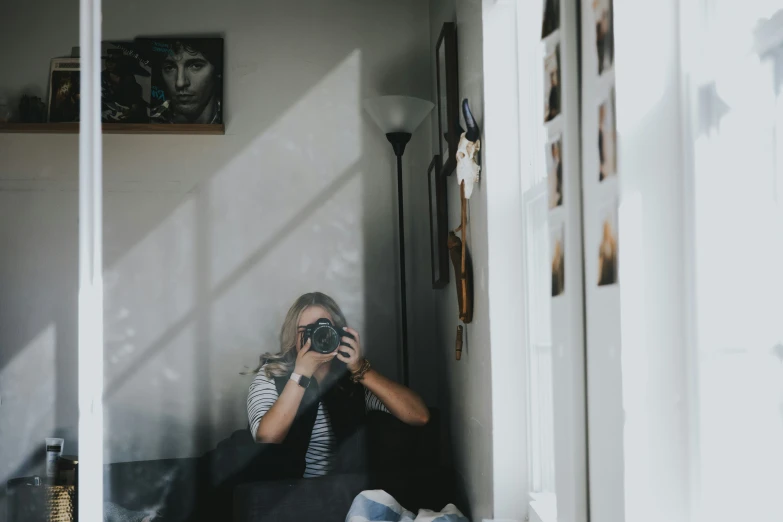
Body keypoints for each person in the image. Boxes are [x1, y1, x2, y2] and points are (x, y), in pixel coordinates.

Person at [247, 292, 430, 478]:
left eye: (324, 329)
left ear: (340, 333)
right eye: (307, 331)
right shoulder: (273, 374)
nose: (318, 338)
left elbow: (419, 416)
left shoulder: (351, 379)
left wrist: (360, 369)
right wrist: (301, 374)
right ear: (294, 337)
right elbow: (267, 438)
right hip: (282, 493)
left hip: (342, 494)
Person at [150, 39, 222, 124]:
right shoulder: (148, 120)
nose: (180, 83)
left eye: (196, 66)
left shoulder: (234, 119)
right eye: (169, 68)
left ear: (217, 71)